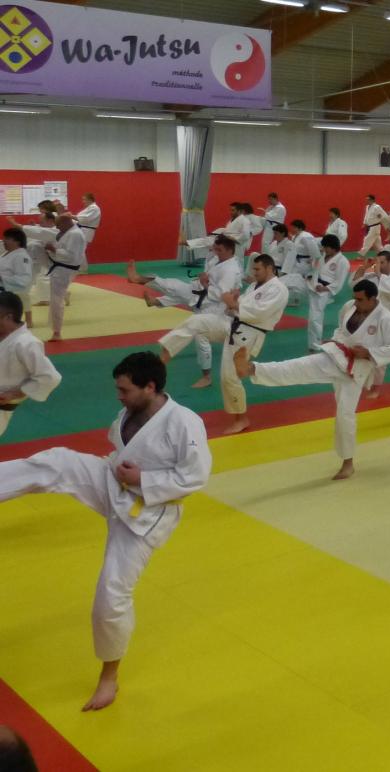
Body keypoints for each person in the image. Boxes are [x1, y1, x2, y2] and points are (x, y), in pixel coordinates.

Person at [0, 352, 212, 710]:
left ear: (150, 387)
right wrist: (124, 473)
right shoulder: (132, 410)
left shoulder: (185, 423)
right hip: (113, 481)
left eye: (124, 389)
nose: (118, 396)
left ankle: (109, 677)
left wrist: (142, 479)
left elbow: (194, 479)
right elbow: (122, 450)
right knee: (56, 461)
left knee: (110, 597)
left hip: (145, 513)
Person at [235, 280, 390, 480]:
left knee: (344, 414)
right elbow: (341, 329)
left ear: (373, 299)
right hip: (337, 355)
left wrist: (368, 353)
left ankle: (347, 462)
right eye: (354, 298)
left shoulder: (385, 318)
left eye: (360, 300)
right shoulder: (349, 307)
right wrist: (335, 341)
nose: (355, 303)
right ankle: (252, 368)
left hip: (356, 369)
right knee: (300, 368)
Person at [159, 254, 288, 434]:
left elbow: (260, 313)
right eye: (253, 269)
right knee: (197, 321)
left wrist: (234, 304)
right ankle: (164, 356)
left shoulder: (279, 289)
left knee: (229, 377)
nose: (254, 273)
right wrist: (233, 303)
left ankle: (241, 419)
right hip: (232, 324)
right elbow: (236, 307)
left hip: (248, 334)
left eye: (257, 269)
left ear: (269, 268)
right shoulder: (253, 286)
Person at [128, 235, 243, 388]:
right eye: (215, 249)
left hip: (213, 306)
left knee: (200, 337)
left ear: (229, 250)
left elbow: (222, 295)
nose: (216, 252)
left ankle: (206, 376)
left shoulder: (230, 269)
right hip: (200, 292)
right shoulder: (221, 260)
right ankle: (138, 279)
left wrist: (205, 283)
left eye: (219, 250)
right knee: (173, 286)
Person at [0, 291, 61, 438]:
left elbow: (50, 377)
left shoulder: (26, 343)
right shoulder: (4, 336)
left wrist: (16, 393)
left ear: (9, 317)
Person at [354, 251, 390, 398]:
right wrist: (363, 268)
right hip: (367, 318)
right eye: (378, 262)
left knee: (379, 354)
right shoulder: (373, 276)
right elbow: (355, 285)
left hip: (388, 320)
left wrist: (379, 274)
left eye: (382, 262)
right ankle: (363, 382)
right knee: (362, 350)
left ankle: (375, 388)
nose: (379, 266)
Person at [45, 213, 86, 342]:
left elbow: (72, 256)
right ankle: (56, 330)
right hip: (61, 268)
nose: (58, 228)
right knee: (56, 299)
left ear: (66, 222)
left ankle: (57, 332)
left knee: (57, 301)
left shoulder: (75, 234)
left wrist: (54, 250)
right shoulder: (71, 232)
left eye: (58, 225)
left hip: (64, 270)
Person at [307, 234, 350, 352]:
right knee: (313, 317)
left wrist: (325, 289)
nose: (324, 249)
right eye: (324, 247)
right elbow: (317, 270)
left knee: (315, 318)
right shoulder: (323, 255)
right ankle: (313, 344)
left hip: (325, 291)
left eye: (326, 247)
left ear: (334, 248)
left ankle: (315, 345)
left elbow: (339, 282)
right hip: (314, 285)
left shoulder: (343, 261)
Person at [0, 228, 34, 327]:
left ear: (17, 241)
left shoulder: (21, 256)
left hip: (9, 295)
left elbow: (24, 279)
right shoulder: (7, 253)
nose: (3, 241)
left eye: (7, 238)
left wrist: (2, 278)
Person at [359, 194, 387, 259]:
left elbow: (384, 215)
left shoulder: (377, 207)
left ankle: (361, 255)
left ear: (373, 200)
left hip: (375, 226)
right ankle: (383, 254)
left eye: (369, 199)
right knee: (377, 244)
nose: (367, 201)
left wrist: (380, 217)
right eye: (367, 200)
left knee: (367, 240)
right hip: (370, 226)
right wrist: (365, 223)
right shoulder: (367, 207)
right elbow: (366, 216)